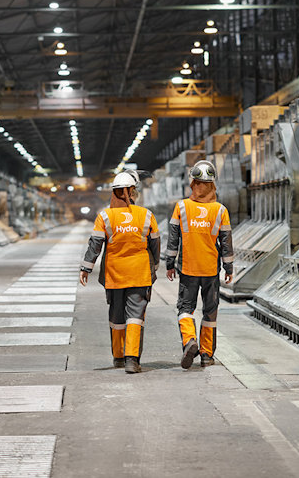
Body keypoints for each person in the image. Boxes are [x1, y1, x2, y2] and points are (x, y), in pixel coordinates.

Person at [79, 170, 160, 374]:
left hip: (115, 275)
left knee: (116, 315)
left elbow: (95, 244)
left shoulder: (105, 216)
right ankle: (132, 359)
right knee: (135, 316)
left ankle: (118, 356)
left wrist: (86, 268)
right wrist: (155, 266)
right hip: (139, 274)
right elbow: (155, 244)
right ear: (131, 192)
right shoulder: (146, 215)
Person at [165, 160, 234, 369]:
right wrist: (229, 268)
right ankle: (206, 354)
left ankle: (189, 341)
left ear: (192, 183)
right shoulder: (221, 210)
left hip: (188, 268)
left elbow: (173, 239)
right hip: (211, 269)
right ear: (213, 185)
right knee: (210, 312)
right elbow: (226, 242)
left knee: (185, 308)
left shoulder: (182, 207)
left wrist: (169, 262)